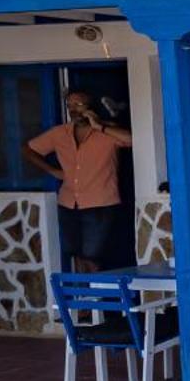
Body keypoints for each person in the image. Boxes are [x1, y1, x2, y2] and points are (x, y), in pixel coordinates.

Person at [24, 90, 133, 272]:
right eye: (70, 105)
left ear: (91, 107)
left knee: (93, 255)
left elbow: (132, 139)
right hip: (68, 203)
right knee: (75, 254)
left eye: (79, 105)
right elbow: (27, 149)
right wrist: (52, 171)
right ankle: (84, 294)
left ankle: (98, 296)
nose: (73, 110)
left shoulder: (107, 132)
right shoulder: (60, 133)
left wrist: (100, 126)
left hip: (100, 203)